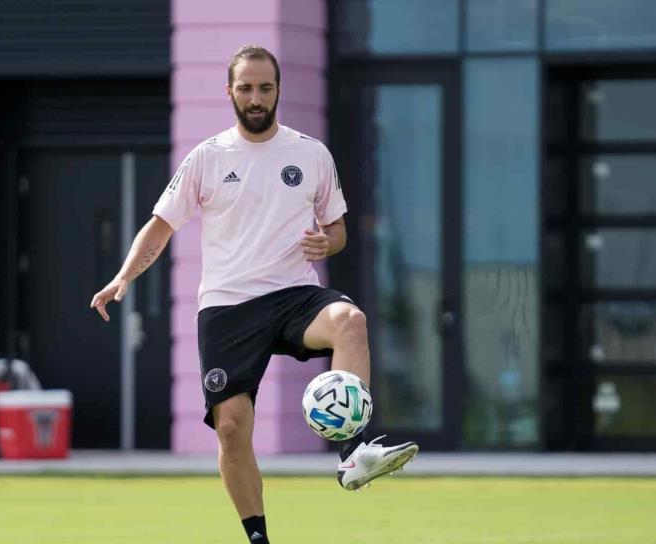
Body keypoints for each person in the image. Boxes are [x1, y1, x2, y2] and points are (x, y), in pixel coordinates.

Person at [90, 44, 418, 544]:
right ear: (230, 92)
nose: (256, 97)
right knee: (232, 428)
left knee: (350, 321)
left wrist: (323, 241)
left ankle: (353, 451)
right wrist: (123, 277)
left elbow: (338, 231)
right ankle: (258, 538)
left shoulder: (311, 153)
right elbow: (160, 227)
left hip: (293, 294)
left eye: (265, 87)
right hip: (226, 307)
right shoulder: (207, 157)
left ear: (279, 90)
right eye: (246, 88)